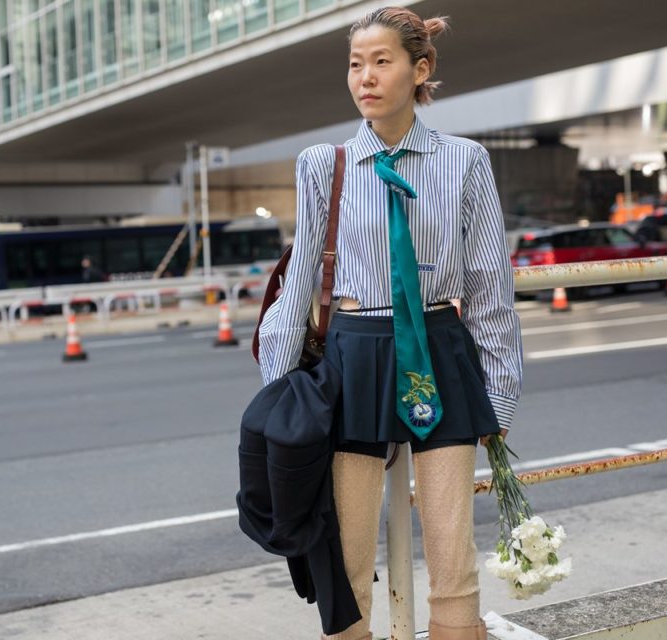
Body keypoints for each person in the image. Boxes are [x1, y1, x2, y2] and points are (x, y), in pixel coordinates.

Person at [257, 7, 523, 640]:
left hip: (439, 347)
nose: (365, 78)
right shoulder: (326, 164)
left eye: (382, 62)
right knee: (348, 552)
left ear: (420, 68)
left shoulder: (466, 162)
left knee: (452, 549)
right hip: (356, 355)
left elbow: (490, 286)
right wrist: (278, 388)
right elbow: (300, 288)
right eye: (355, 64)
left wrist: (502, 398)